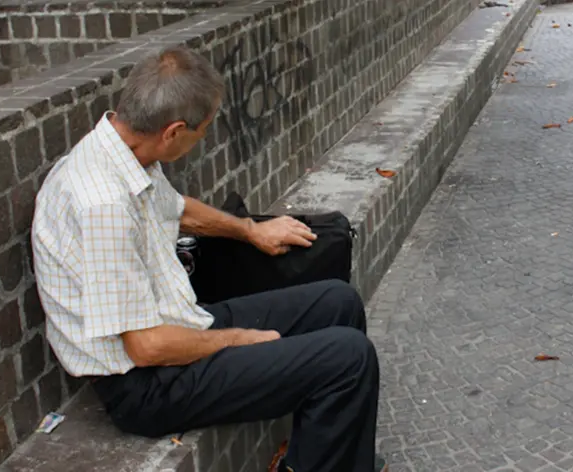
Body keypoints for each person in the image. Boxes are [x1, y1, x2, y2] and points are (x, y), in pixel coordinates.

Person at [30, 45, 386, 472]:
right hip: (148, 385)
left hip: (175, 324)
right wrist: (238, 338)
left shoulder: (125, 150)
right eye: (204, 130)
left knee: (338, 302)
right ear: (174, 131)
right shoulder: (103, 205)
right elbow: (145, 348)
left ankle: (320, 459)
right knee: (348, 359)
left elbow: (176, 208)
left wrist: (249, 230)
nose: (204, 139)